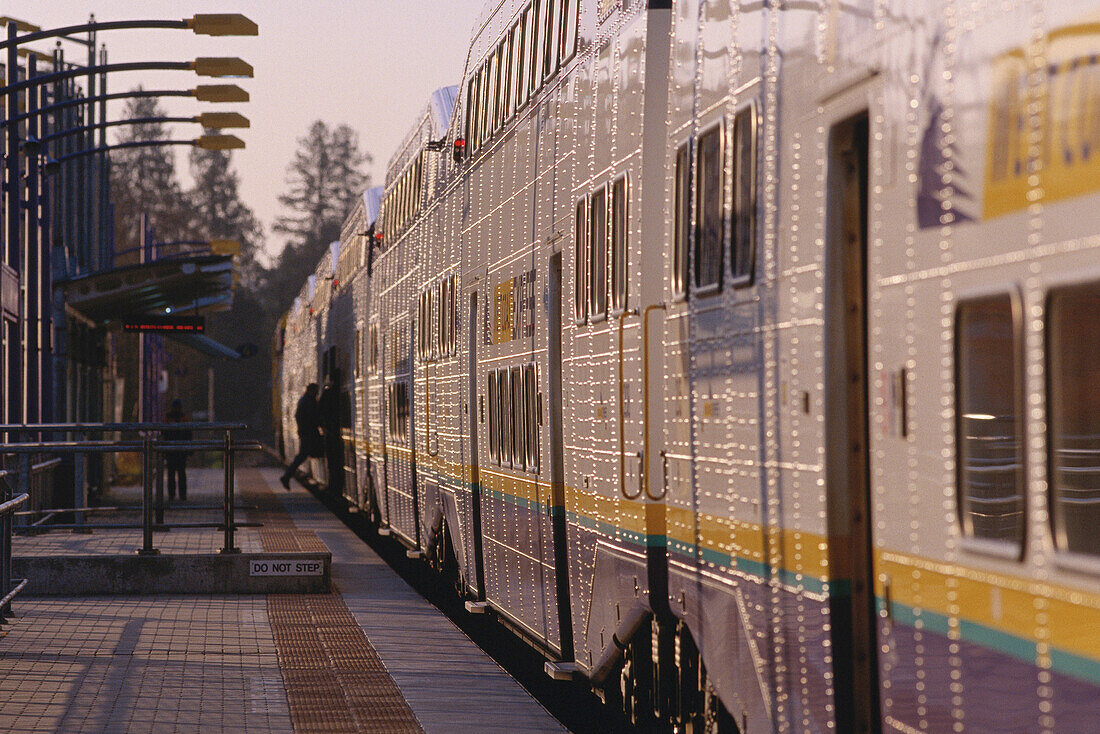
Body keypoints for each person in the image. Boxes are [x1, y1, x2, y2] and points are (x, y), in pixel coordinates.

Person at [281, 383, 322, 490]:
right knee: (303, 455)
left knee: (303, 455)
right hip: (308, 433)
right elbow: (312, 416)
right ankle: (286, 476)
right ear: (311, 390)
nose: (317, 393)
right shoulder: (308, 401)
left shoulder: (304, 400)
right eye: (316, 390)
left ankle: (287, 476)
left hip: (305, 433)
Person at [164, 399, 192, 501]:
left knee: (174, 473)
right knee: (179, 473)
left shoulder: (168, 418)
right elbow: (189, 434)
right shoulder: (184, 418)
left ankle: (174, 495)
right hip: (179, 449)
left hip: (173, 450)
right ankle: (180, 495)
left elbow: (164, 433)